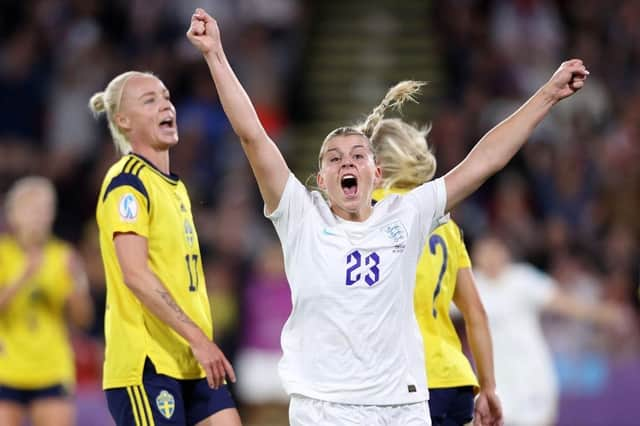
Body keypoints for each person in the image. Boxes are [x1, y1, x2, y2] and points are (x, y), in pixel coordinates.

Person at [186, 7, 588, 425]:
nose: (347, 162)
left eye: (359, 155)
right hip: (325, 407)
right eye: (334, 158)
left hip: (402, 406)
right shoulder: (300, 215)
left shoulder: (408, 213)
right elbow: (252, 133)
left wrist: (547, 94)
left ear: (376, 173)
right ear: (321, 178)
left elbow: (485, 160)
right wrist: (215, 54)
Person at [90, 70, 242, 425]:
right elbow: (136, 275)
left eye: (166, 97)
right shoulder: (128, 183)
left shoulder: (175, 188)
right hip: (148, 365)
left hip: (192, 359)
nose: (165, 105)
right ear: (123, 121)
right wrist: (199, 339)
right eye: (149, 100)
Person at [370, 119, 503, 426]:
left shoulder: (367, 214)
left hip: (400, 381)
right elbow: (475, 313)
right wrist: (488, 387)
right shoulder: (445, 223)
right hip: (454, 380)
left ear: (375, 163)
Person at [471, 234, 626, 426]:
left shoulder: (522, 279)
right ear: (476, 256)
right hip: (493, 379)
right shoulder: (470, 283)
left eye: (496, 250)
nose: (491, 257)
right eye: (485, 251)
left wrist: (603, 314)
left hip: (532, 374)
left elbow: (564, 303)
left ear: (505, 253)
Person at [0, 176, 93, 426]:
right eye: (32, 208)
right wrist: (23, 276)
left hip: (52, 367)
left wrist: (75, 289)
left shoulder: (63, 257)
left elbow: (84, 319)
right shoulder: (3, 254)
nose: (40, 216)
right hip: (6, 367)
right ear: (13, 214)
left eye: (45, 209)